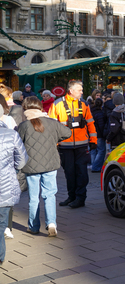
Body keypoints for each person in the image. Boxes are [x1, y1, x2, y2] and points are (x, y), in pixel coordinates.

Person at [18, 97, 71, 236]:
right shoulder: (52, 123)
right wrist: (55, 138)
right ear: (40, 107)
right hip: (50, 164)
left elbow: (18, 145)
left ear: (25, 109)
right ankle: (51, 223)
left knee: (34, 197)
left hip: (31, 166)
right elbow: (68, 133)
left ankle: (34, 227)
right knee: (50, 195)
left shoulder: (23, 126)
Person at [49, 80, 97, 209]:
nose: (82, 92)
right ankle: (72, 197)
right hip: (65, 145)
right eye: (79, 90)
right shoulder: (57, 104)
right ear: (71, 91)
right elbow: (51, 126)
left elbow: (91, 123)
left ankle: (80, 198)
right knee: (69, 173)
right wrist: (55, 143)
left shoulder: (84, 104)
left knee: (81, 172)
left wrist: (93, 141)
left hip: (82, 145)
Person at [0, 105, 27, 264]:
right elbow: (22, 159)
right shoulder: (11, 134)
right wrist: (13, 167)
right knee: (2, 223)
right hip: (5, 185)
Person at [89, 99, 107, 173]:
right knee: (101, 150)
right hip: (99, 134)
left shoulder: (91, 111)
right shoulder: (100, 113)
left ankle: (93, 164)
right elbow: (101, 125)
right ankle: (96, 167)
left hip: (91, 133)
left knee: (93, 150)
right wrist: (104, 134)